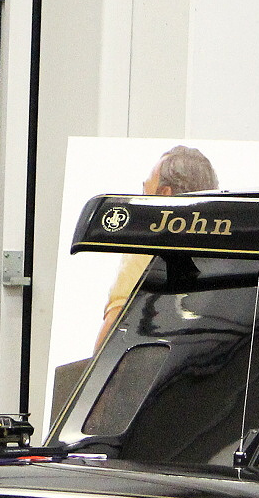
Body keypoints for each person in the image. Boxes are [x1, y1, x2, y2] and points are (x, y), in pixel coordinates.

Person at [93, 146, 219, 351]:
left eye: (145, 189)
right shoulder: (227, 252)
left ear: (165, 194)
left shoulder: (146, 248)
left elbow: (114, 330)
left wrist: (92, 368)